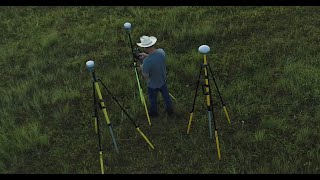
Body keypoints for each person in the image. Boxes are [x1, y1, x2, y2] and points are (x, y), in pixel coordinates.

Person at [136, 35, 173, 117]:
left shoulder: (146, 62)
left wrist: (142, 68)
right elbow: (156, 58)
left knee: (153, 99)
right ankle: (170, 110)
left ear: (145, 48)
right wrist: (147, 55)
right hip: (163, 80)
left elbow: (145, 76)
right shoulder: (161, 52)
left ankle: (154, 113)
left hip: (152, 84)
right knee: (166, 96)